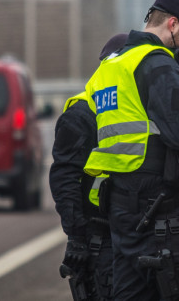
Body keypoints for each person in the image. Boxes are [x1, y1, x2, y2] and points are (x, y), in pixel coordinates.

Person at [83, 0, 179, 300]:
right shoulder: (158, 63)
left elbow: (140, 121)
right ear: (173, 24)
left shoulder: (112, 66)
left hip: (121, 208)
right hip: (160, 212)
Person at [50, 32, 129, 301]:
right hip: (100, 237)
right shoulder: (82, 113)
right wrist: (76, 236)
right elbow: (65, 177)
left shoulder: (137, 109)